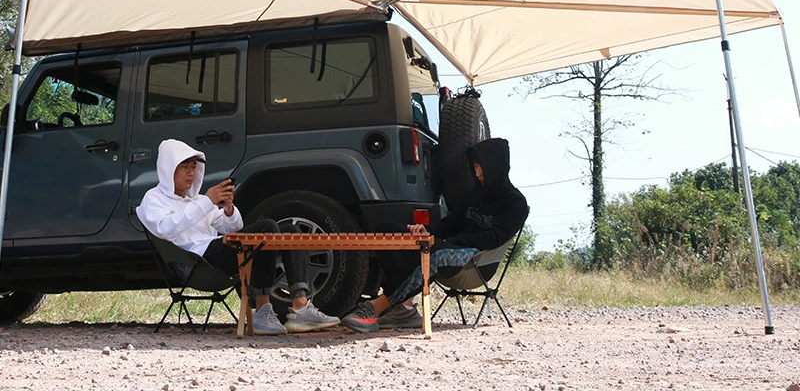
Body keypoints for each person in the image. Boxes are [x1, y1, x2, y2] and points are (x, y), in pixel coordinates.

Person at [136, 139, 340, 335]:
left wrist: (228, 209)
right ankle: (262, 310)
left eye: (193, 167)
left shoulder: (197, 200)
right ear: (169, 168)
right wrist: (207, 202)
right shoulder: (154, 198)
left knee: (291, 233)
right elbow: (164, 229)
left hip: (219, 250)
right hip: (197, 261)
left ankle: (301, 307)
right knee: (267, 227)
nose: (191, 173)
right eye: (185, 167)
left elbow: (234, 227)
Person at [341, 137, 528, 332]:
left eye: (482, 167)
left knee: (433, 250)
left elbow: (494, 239)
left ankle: (374, 308)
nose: (477, 173)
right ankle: (405, 308)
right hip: (449, 245)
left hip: (476, 259)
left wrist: (447, 241)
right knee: (386, 230)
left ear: (496, 166)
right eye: (475, 166)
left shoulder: (515, 203)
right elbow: (451, 223)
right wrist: (427, 232)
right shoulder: (476, 194)